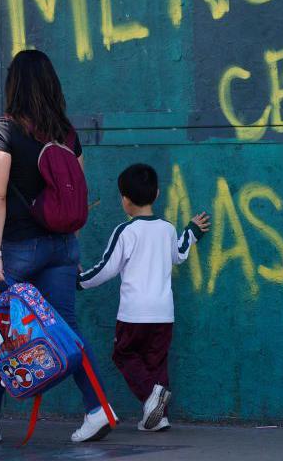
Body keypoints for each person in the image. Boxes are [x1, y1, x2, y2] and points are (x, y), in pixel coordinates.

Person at [0, 50, 116, 445]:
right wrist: (70, 246)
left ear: (14, 85)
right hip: (63, 247)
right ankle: (97, 407)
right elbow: (77, 196)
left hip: (18, 248)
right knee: (66, 331)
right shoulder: (67, 133)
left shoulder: (4, 129)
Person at [78, 163, 210, 431]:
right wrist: (192, 231)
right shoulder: (167, 229)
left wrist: (78, 280)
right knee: (156, 362)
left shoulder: (126, 232)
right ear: (157, 193)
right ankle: (158, 418)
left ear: (124, 200)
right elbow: (180, 252)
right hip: (163, 313)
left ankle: (152, 399)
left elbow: (106, 269)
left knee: (123, 355)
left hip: (134, 314)